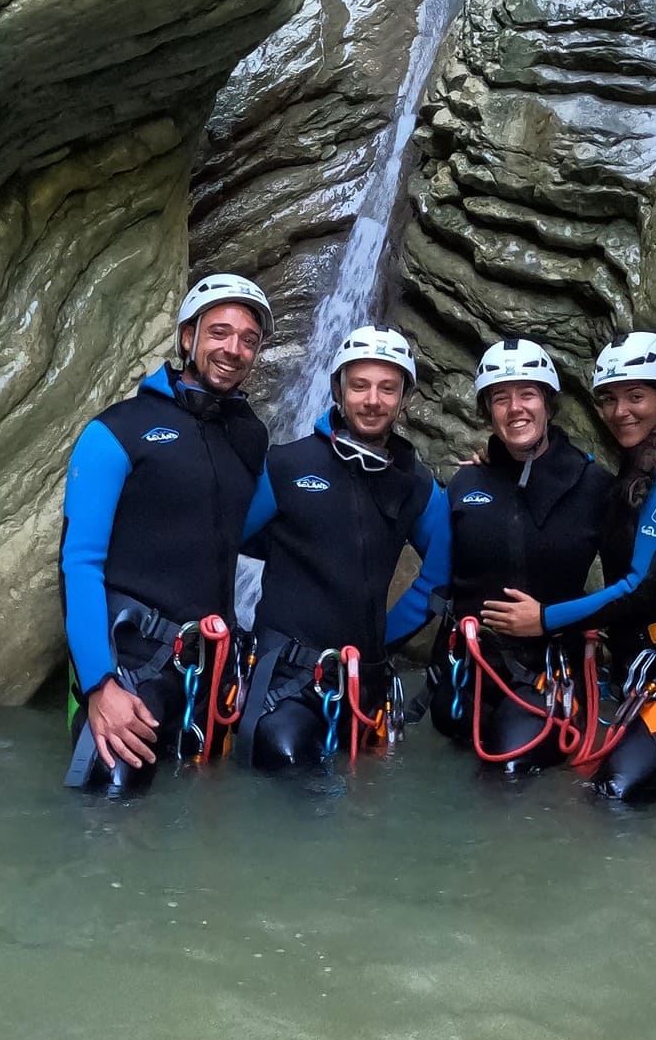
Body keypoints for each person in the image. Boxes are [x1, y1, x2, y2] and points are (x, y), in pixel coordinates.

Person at [481, 332, 656, 804]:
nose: (620, 410)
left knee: (613, 796)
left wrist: (541, 620)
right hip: (642, 670)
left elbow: (641, 586)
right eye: (609, 399)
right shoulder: (639, 469)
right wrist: (494, 462)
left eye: (637, 396)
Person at [59, 272, 272, 794]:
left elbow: (248, 530)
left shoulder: (251, 436)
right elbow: (78, 562)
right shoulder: (117, 430)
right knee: (112, 799)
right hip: (129, 663)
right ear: (187, 337)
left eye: (249, 339)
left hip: (210, 672)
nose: (233, 349)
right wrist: (98, 684)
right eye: (219, 332)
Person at [235, 325, 449, 770]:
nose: (373, 399)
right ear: (338, 390)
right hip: (285, 681)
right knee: (295, 774)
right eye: (360, 385)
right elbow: (222, 542)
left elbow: (444, 572)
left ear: (404, 398)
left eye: (387, 388)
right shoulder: (286, 465)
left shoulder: (415, 483)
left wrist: (382, 639)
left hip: (364, 684)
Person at [429, 338, 613, 768]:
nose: (515, 409)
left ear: (548, 404)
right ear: (487, 411)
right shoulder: (467, 485)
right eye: (501, 398)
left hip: (548, 671)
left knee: (507, 766)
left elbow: (634, 586)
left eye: (527, 394)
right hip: (470, 670)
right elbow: (435, 582)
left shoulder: (593, 487)